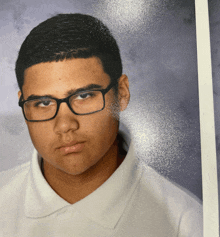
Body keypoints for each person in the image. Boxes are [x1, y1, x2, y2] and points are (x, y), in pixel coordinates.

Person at [0, 14, 202, 236]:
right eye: (43, 102)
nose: (65, 125)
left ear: (122, 93)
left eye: (84, 95)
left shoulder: (185, 223)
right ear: (23, 105)